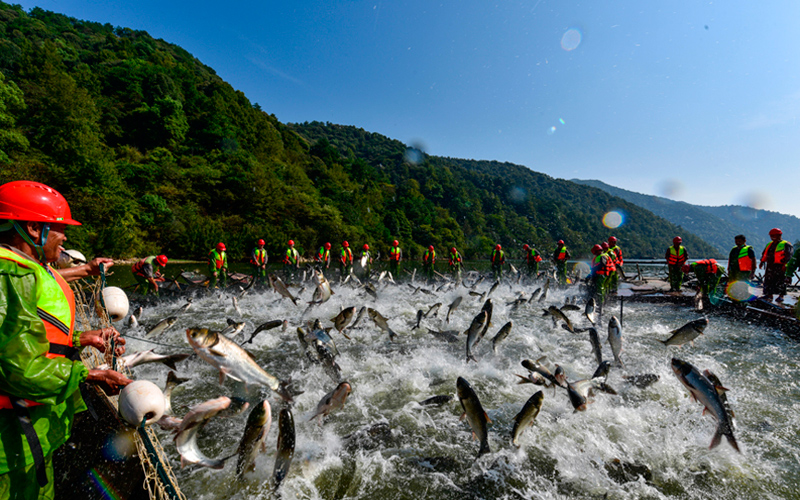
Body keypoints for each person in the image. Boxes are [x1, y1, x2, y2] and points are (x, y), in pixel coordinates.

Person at [0, 180, 132, 497]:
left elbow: (30, 333)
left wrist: (80, 338)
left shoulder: (30, 269)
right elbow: (17, 368)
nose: (65, 237)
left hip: (31, 426)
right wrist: (88, 374)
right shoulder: (10, 276)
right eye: (60, 228)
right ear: (33, 228)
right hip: (11, 439)